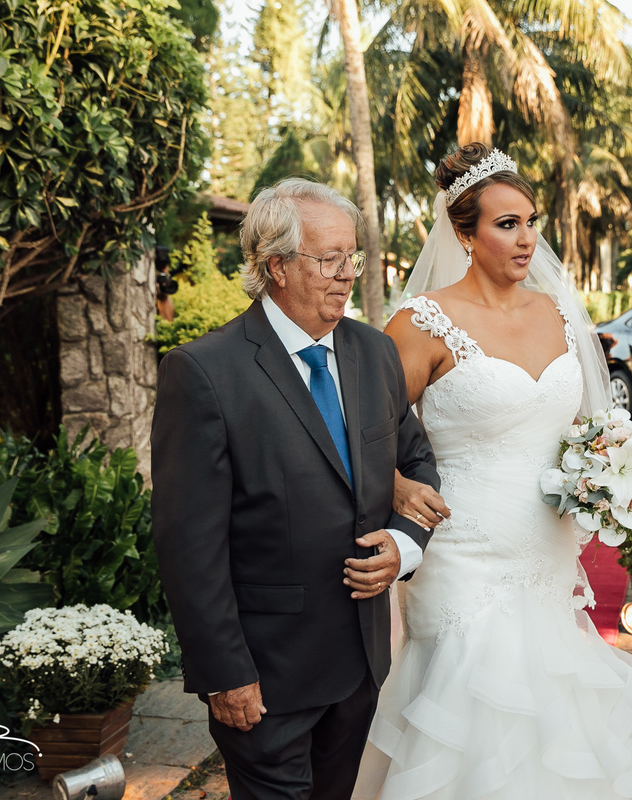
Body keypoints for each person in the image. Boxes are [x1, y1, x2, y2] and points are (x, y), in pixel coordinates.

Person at [353, 144, 632, 799]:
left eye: (532, 220)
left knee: (550, 723)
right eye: (507, 224)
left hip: (545, 553)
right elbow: (362, 432)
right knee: (469, 717)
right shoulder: (420, 323)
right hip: (461, 555)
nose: (527, 237)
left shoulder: (557, 313)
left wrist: (613, 473)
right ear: (463, 233)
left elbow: (585, 428)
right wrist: (394, 483)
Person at [151, 178, 441, 800]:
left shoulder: (374, 353)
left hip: (360, 663)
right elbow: (188, 546)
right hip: (265, 677)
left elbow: (416, 462)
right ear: (275, 265)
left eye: (351, 258)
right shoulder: (203, 372)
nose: (345, 274)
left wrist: (404, 544)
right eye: (328, 258)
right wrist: (224, 673)